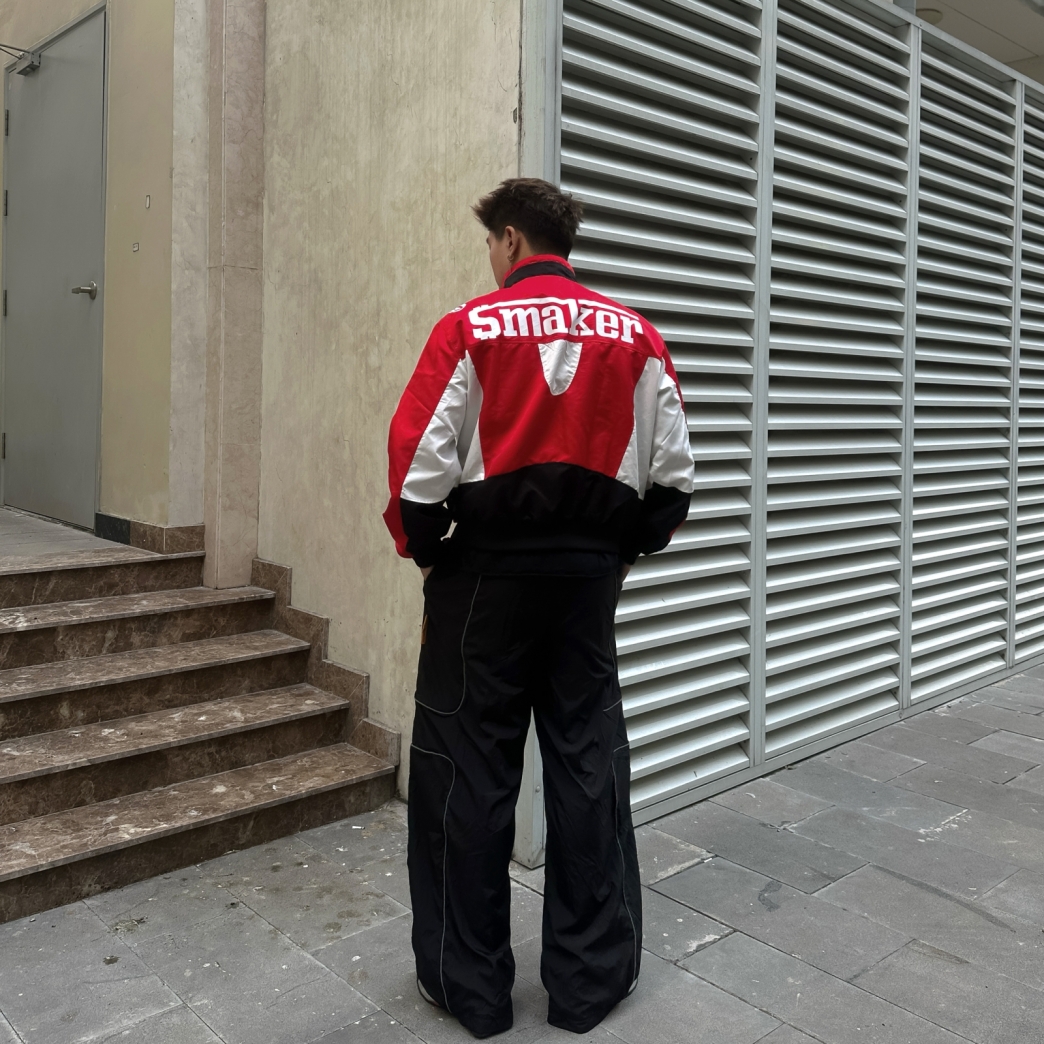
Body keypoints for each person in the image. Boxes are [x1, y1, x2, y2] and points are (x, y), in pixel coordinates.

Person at [383, 178, 694, 1038]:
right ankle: (588, 985)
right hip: (585, 583)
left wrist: (432, 550)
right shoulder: (634, 334)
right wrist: (619, 552)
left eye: (491, 243)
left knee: (466, 771)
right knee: (589, 761)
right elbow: (673, 478)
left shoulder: (467, 328)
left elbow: (417, 468)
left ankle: (471, 989)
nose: (489, 258)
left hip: (482, 581)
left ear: (512, 240)